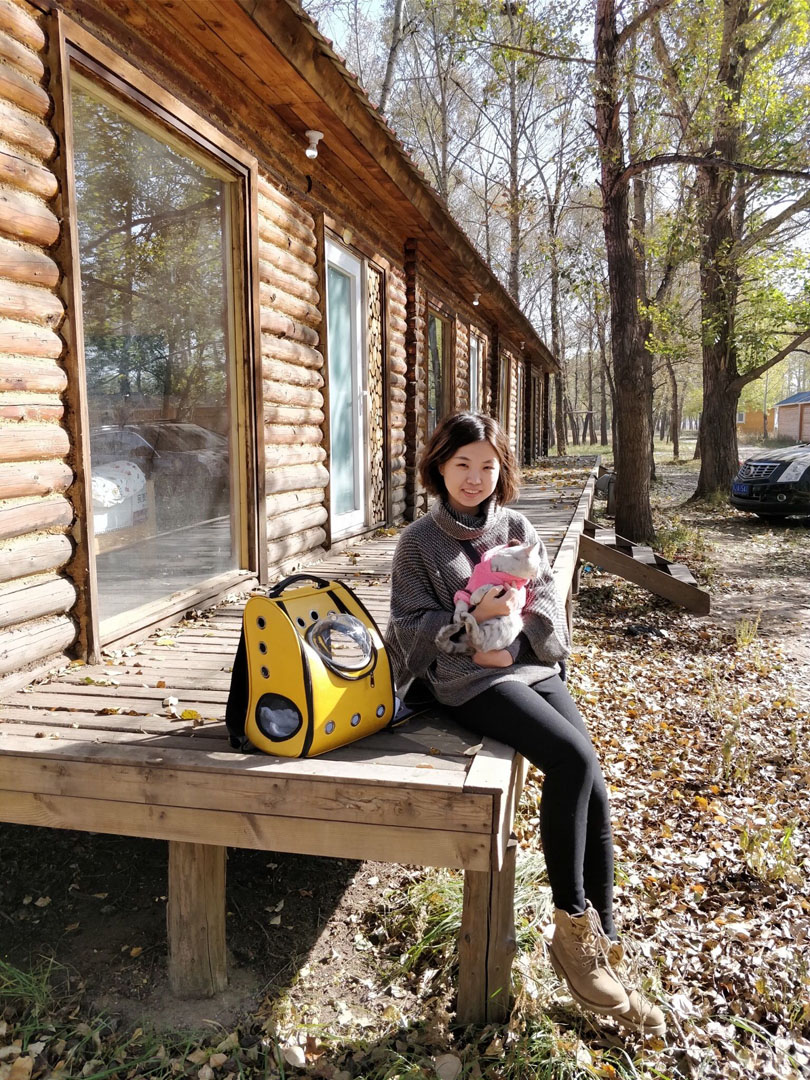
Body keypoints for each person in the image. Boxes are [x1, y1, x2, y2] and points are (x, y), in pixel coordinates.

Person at [385, 411, 665, 1036]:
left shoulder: (516, 526)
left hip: (526, 669)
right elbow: (405, 632)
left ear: (501, 471)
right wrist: (468, 625)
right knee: (572, 760)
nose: (475, 478)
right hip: (465, 683)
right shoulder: (418, 543)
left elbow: (544, 606)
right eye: (462, 464)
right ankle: (571, 929)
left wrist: (518, 636)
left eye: (488, 466)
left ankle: (602, 942)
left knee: (591, 779)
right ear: (438, 465)